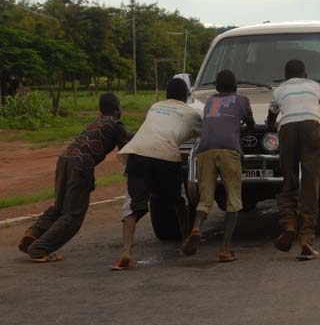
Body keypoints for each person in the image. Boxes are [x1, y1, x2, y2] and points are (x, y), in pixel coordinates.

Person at [18, 93, 131, 262]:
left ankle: (34, 233)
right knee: (73, 215)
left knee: (59, 207)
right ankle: (40, 248)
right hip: (81, 165)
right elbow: (127, 148)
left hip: (65, 159)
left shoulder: (96, 122)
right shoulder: (116, 124)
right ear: (117, 109)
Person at [112, 78, 202, 270]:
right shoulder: (191, 112)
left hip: (137, 152)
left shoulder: (155, 106)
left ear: (166, 95)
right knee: (178, 201)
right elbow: (205, 134)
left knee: (132, 204)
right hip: (165, 155)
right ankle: (185, 243)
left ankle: (126, 251)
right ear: (186, 96)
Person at [267, 59, 320, 261]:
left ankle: (289, 224)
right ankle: (306, 239)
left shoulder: (280, 90)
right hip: (311, 127)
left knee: (288, 181)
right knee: (311, 184)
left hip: (287, 130)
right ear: (305, 74)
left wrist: (271, 127)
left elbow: (271, 116)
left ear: (286, 76)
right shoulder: (314, 86)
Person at [181, 70, 254, 262]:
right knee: (234, 199)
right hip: (229, 150)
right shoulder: (242, 100)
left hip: (204, 150)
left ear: (216, 87)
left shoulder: (210, 102)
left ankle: (197, 227)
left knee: (205, 199)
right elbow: (251, 124)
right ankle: (225, 248)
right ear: (236, 86)